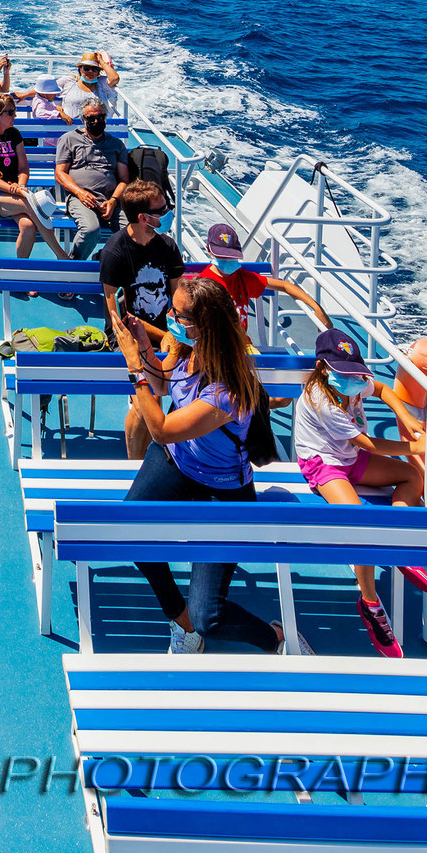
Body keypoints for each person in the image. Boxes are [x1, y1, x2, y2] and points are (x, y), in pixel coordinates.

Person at [110, 277, 286, 654]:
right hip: (178, 462)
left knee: (212, 617)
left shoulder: (228, 389)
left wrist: (131, 365)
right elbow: (162, 386)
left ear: (202, 326)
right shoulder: (187, 350)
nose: (169, 317)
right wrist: (143, 344)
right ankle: (185, 629)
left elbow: (159, 430)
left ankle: (275, 638)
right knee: (130, 530)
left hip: (223, 489)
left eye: (178, 314)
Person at [293, 327, 427, 659]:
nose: (354, 378)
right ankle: (369, 602)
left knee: (412, 475)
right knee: (359, 521)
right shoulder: (320, 399)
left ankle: (398, 544)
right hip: (323, 463)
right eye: (345, 373)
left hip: (350, 457)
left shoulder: (353, 382)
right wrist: (415, 444)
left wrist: (405, 417)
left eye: (356, 372)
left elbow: (382, 389)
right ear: (324, 368)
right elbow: (368, 442)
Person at [100, 183, 184, 451]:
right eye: (162, 210)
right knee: (147, 402)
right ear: (143, 218)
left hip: (170, 336)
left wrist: (179, 334)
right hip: (132, 338)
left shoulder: (168, 247)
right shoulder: (115, 252)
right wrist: (165, 337)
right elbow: (118, 318)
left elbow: (180, 300)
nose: (169, 212)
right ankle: (136, 469)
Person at [190, 221, 330, 336]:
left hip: (241, 344)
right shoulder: (203, 283)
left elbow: (286, 286)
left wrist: (317, 308)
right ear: (208, 250)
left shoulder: (244, 278)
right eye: (222, 255)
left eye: (231, 255)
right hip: (213, 343)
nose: (227, 259)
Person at [54, 102, 131, 257]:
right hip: (80, 198)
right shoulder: (69, 139)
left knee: (133, 232)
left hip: (110, 200)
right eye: (91, 118)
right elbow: (60, 173)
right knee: (90, 230)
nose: (96, 122)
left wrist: (114, 200)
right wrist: (80, 193)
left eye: (100, 117)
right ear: (83, 119)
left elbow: (124, 180)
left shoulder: (116, 144)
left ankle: (104, 257)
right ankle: (74, 266)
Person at [0, 92, 42, 260]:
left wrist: (21, 186)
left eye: (14, 111)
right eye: (10, 112)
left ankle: (20, 269)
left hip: (14, 191)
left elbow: (23, 167)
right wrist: (15, 189)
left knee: (29, 227)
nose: (14, 115)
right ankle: (62, 256)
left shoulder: (14, 134)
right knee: (34, 205)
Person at [61, 51, 120, 119]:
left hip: (100, 127)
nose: (90, 71)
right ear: (80, 69)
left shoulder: (101, 83)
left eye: (94, 69)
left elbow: (115, 78)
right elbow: (47, 95)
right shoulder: (70, 81)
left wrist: (101, 61)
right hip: (71, 126)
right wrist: (60, 112)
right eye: (86, 68)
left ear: (98, 72)